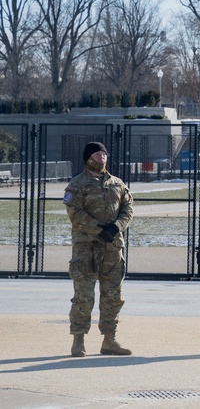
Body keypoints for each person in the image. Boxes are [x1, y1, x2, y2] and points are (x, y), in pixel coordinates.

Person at [63, 141, 134, 357]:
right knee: (83, 296)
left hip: (113, 249)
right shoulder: (76, 185)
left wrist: (116, 227)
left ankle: (109, 340)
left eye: (103, 153)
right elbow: (75, 214)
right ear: (87, 158)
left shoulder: (118, 183)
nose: (101, 157)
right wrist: (99, 229)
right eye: (96, 154)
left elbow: (128, 208)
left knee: (113, 295)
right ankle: (78, 340)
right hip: (86, 250)